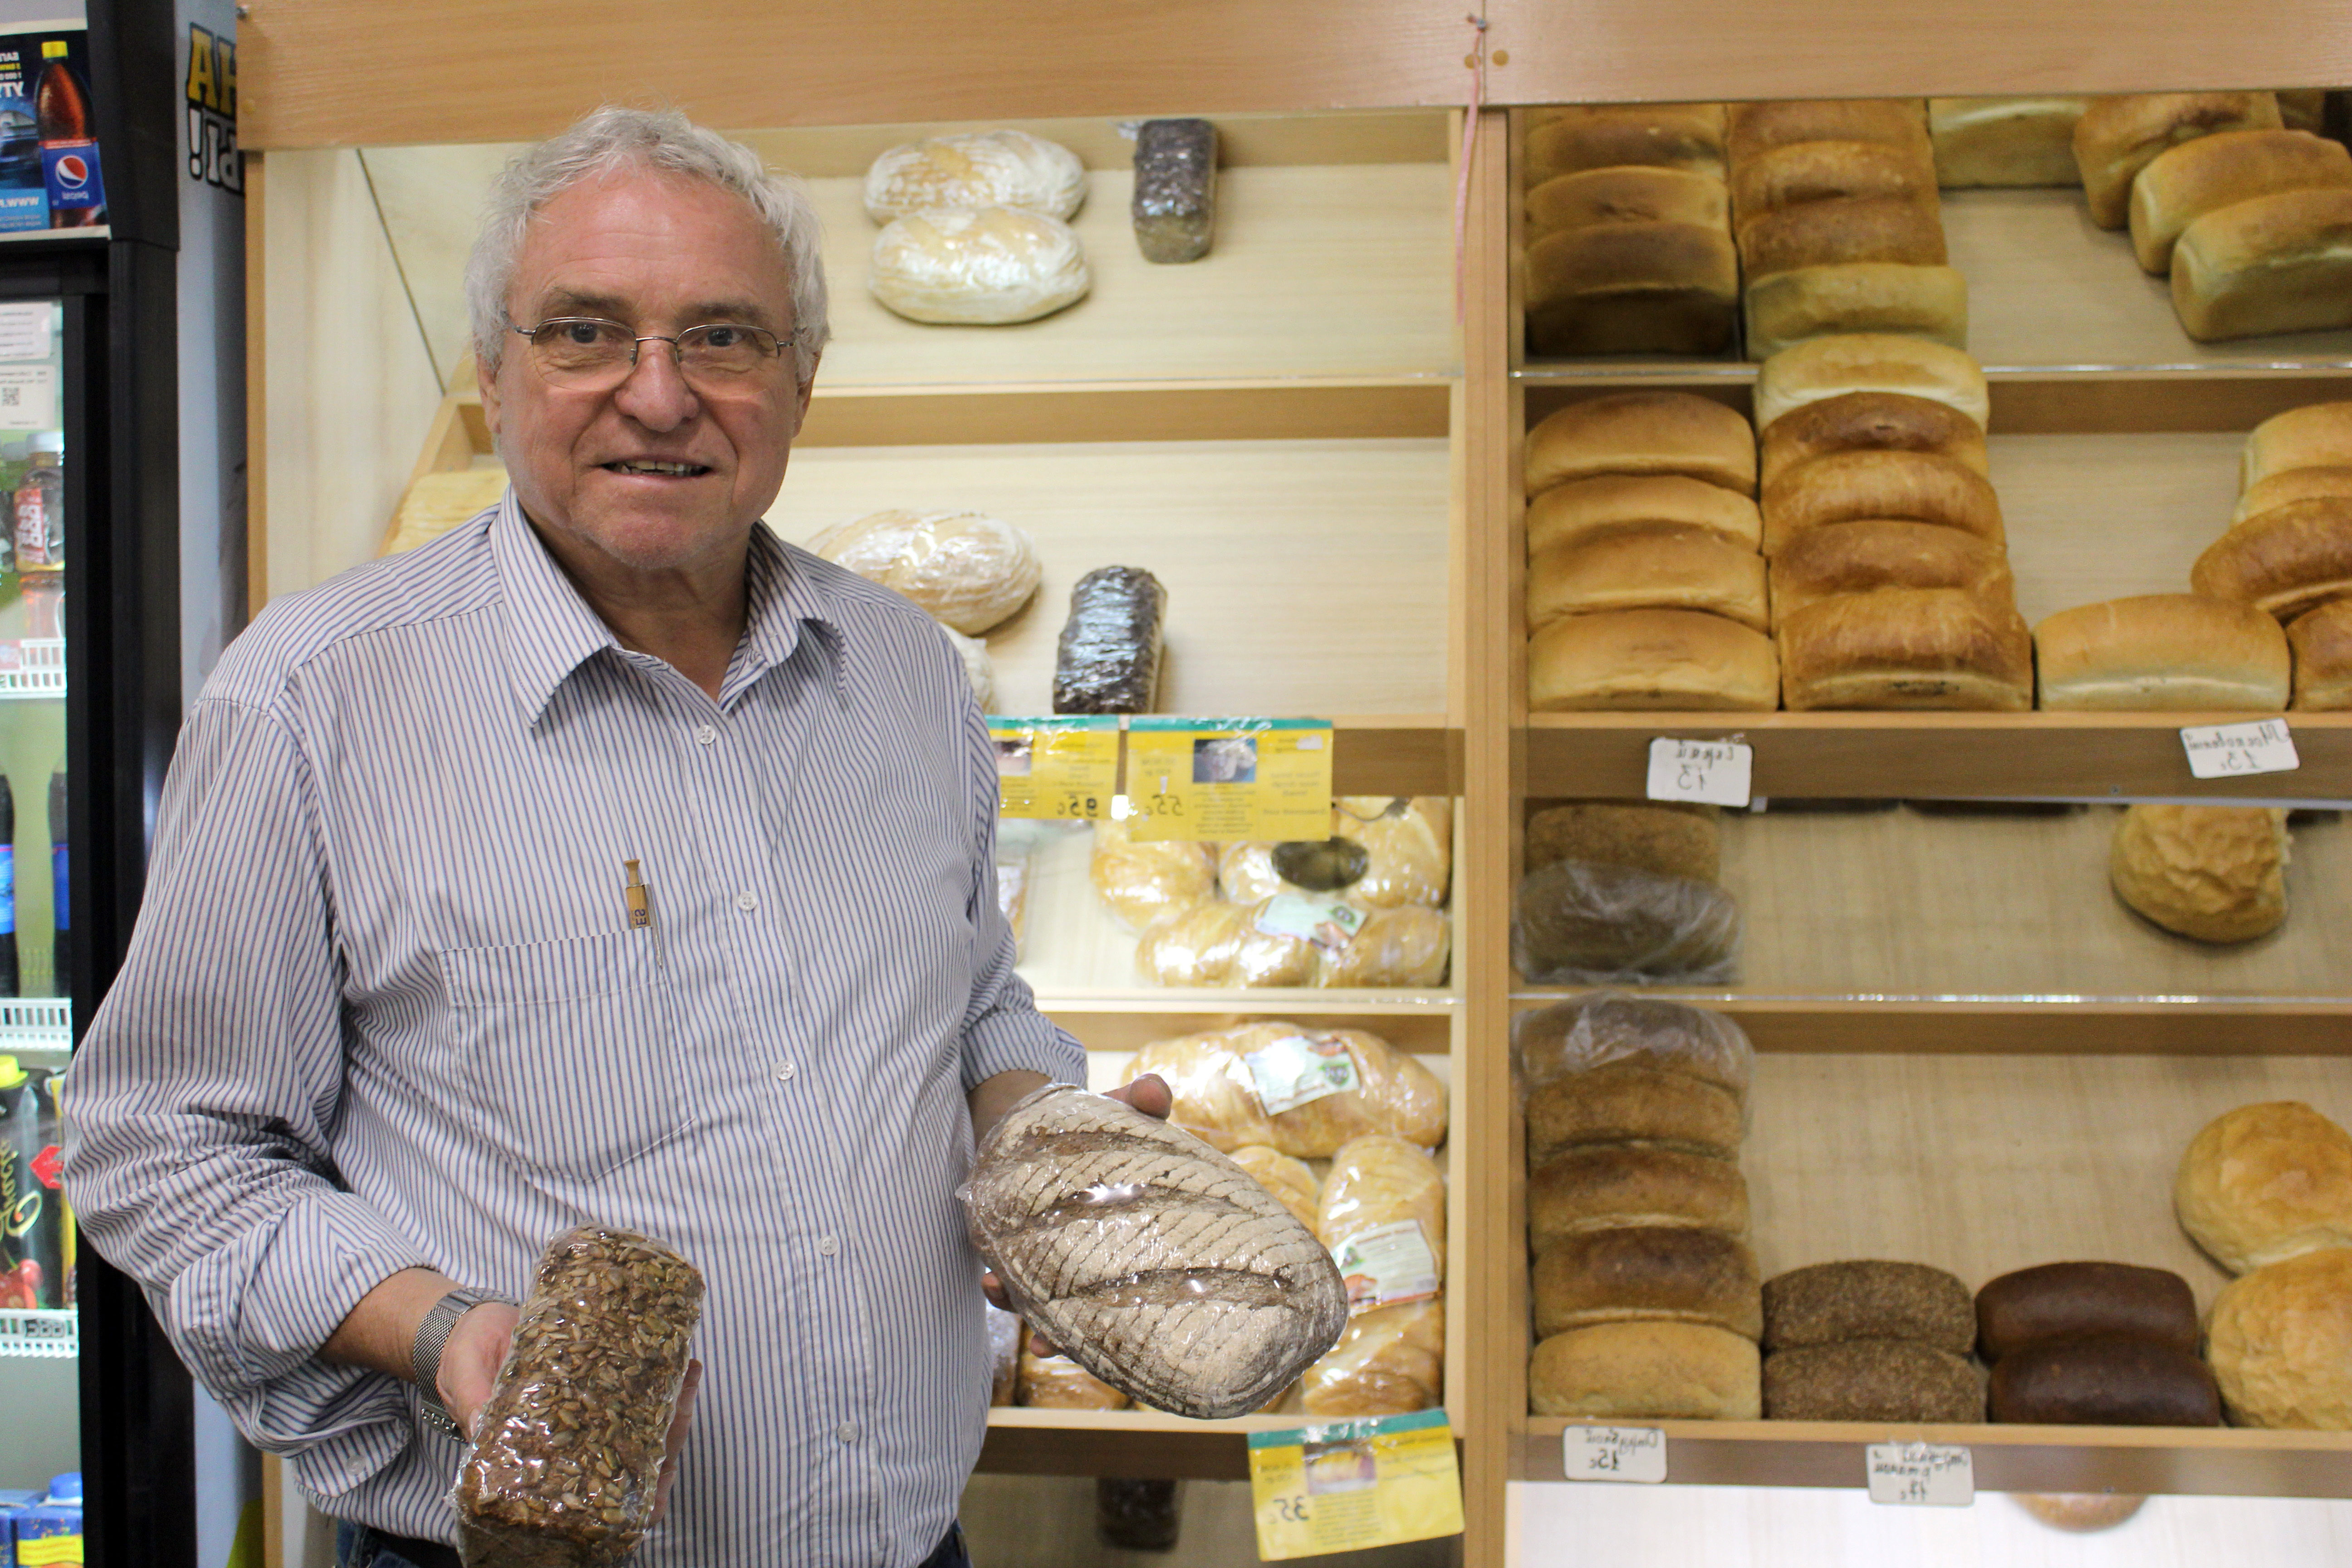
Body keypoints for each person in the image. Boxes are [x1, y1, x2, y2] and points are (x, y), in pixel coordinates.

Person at [64, 106, 1149, 1568]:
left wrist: (1045, 1142)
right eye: (585, 333)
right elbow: (167, 1145)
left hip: (909, 1541)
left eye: (722, 338)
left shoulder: (903, 668)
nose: (658, 395)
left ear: (802, 381)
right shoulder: (317, 697)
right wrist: (439, 1328)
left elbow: (970, 1005)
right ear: (494, 371)